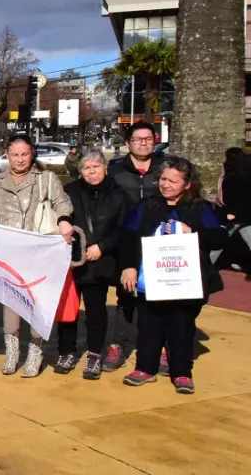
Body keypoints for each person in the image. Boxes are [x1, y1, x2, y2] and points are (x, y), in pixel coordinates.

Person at [0, 135, 74, 378]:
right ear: (7, 155)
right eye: (15, 155)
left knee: (37, 303)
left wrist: (64, 220)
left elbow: (63, 204)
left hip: (39, 251)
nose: (20, 159)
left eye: (25, 154)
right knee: (11, 304)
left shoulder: (46, 178)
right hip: (8, 253)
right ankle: (12, 353)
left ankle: (35, 353)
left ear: (32, 154)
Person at [118, 157, 227, 394]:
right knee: (148, 324)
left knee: (182, 326)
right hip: (151, 279)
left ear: (187, 184)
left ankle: (182, 373)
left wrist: (192, 231)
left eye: (173, 181)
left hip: (186, 280)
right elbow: (127, 237)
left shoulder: (200, 208)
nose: (165, 185)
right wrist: (129, 266)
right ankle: (145, 368)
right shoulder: (147, 205)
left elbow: (219, 237)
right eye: (163, 179)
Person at [55, 150, 130, 380]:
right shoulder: (70, 191)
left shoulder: (119, 196)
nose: (92, 171)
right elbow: (60, 211)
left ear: (105, 167)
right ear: (80, 172)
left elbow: (123, 229)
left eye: (96, 166)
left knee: (96, 311)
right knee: (67, 310)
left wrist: (103, 246)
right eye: (86, 168)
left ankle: (95, 353)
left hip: (99, 262)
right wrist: (62, 220)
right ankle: (66, 351)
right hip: (71, 259)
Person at [105, 121, 162, 372]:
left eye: (148, 138)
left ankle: (160, 348)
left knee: (159, 298)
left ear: (155, 140)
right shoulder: (115, 170)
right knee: (125, 295)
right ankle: (118, 345)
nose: (143, 143)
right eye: (138, 139)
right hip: (125, 242)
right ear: (128, 143)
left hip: (158, 243)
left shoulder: (165, 167)